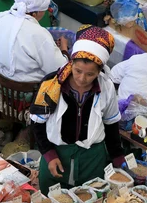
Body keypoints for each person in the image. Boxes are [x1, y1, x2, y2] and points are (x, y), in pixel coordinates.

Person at [31, 26, 125, 193]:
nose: (82, 79)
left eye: (90, 74)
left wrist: (118, 157)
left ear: (99, 71)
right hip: (57, 155)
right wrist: (49, 154)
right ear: (71, 62)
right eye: (78, 71)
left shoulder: (106, 87)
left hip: (92, 159)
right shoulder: (51, 84)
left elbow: (111, 125)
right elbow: (37, 124)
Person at [0, 0, 69, 83]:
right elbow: (59, 69)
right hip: (27, 89)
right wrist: (64, 49)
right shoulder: (39, 33)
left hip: (0, 82)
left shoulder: (0, 18)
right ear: (35, 13)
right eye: (44, 11)